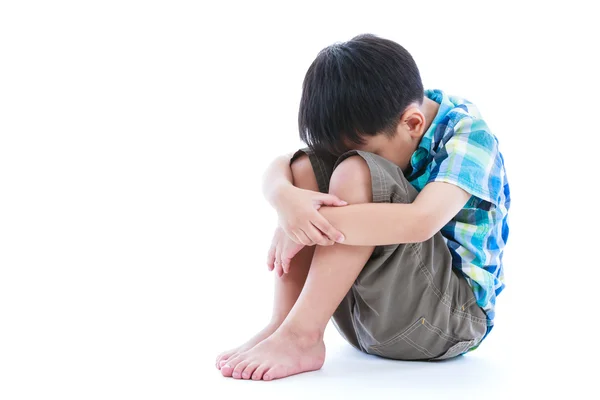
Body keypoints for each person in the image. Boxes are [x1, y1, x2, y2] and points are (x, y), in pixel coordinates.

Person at [215, 33, 511, 381]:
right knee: (305, 168)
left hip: (447, 321)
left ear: (413, 123)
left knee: (357, 171)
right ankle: (285, 325)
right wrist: (287, 205)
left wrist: (311, 221)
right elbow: (280, 167)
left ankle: (302, 336)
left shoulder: (469, 136)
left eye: (374, 149)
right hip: (368, 318)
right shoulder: (389, 117)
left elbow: (422, 221)